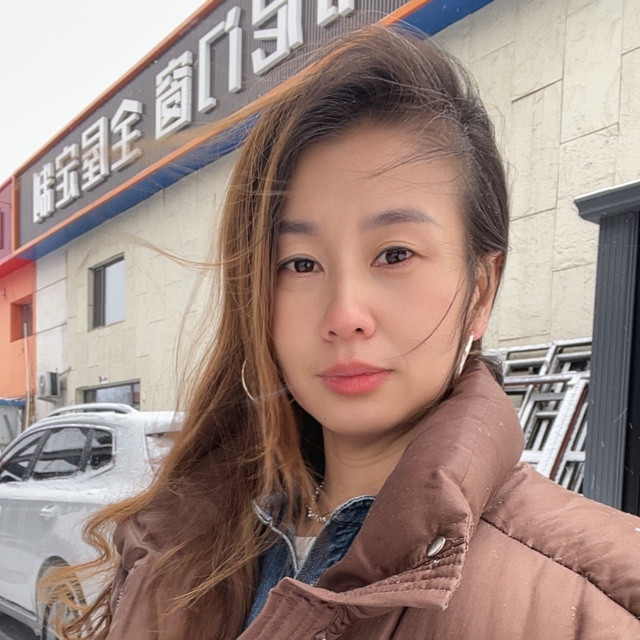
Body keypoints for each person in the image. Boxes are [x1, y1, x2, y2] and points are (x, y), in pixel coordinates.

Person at [58, 25, 640, 640]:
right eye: (300, 264)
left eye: (394, 254)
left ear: (480, 289)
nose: (344, 314)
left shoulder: (601, 603)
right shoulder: (176, 542)